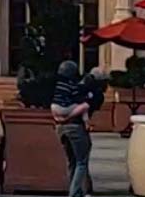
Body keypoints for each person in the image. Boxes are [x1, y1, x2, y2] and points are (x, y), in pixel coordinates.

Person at [50, 61, 92, 197]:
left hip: (58, 120)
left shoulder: (57, 86)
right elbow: (80, 100)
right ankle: (74, 193)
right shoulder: (72, 86)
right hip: (73, 126)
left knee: (72, 161)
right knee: (81, 161)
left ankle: (76, 191)